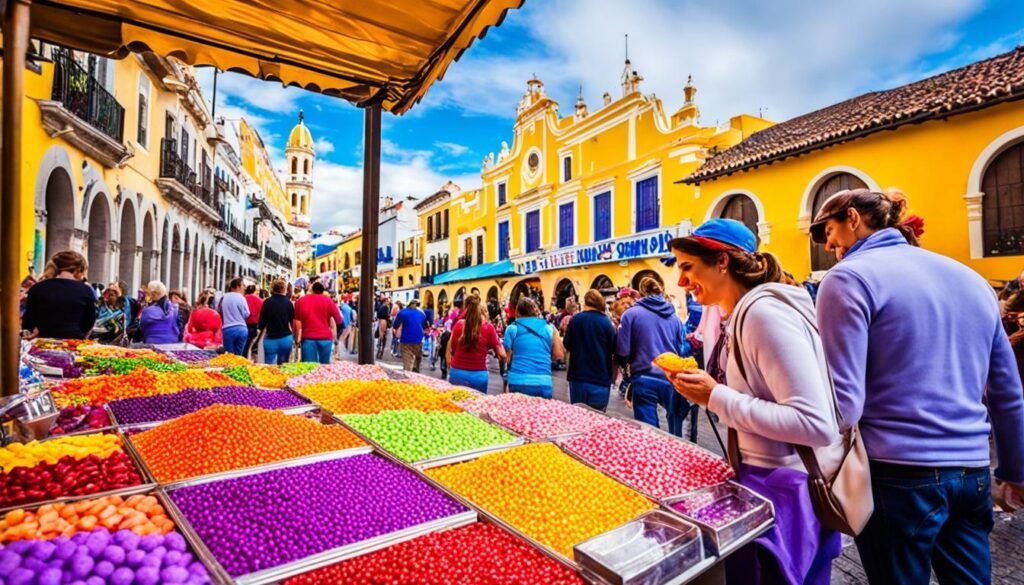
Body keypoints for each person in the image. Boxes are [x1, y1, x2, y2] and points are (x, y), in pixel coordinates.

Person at [811, 189, 1024, 585]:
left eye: (827, 229)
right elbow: (1007, 391)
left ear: (853, 218)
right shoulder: (971, 279)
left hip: (899, 476)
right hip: (972, 471)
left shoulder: (848, 278)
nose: (827, 243)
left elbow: (846, 405)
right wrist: (1015, 469)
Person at [668, 218, 844, 585]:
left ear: (722, 262)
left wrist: (715, 396)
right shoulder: (749, 313)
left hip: (784, 495)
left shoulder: (763, 314)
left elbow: (815, 423)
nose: (682, 282)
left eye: (687, 267)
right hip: (772, 488)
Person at [616, 277, 688, 436]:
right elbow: (681, 348)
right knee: (676, 428)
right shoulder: (675, 319)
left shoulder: (631, 314)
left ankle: (654, 458)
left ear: (641, 293)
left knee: (649, 432)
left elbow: (623, 350)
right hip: (670, 377)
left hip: (643, 376)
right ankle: (676, 455)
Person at [22, 251, 96, 339]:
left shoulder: (37, 288)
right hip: (74, 342)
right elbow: (89, 322)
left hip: (42, 340)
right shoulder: (86, 290)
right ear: (78, 270)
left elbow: (28, 320)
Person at [564, 289, 617, 411]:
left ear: (585, 302)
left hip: (578, 378)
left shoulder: (575, 320)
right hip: (600, 379)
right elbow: (614, 351)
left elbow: (567, 345)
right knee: (597, 420)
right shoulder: (607, 324)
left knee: (578, 417)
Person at [502, 297, 564, 399]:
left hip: (517, 381)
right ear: (536, 311)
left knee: (516, 413)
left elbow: (507, 359)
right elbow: (558, 355)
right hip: (543, 382)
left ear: (517, 312)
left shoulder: (512, 329)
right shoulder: (549, 329)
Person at [448, 295, 506, 393]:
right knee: (476, 406)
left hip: (457, 373)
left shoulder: (459, 325)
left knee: (456, 405)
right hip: (478, 376)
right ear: (483, 312)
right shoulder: (489, 328)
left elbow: (452, 349)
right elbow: (502, 355)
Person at [294, 281, 342, 364]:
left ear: (312, 290)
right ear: (322, 291)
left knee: (309, 368)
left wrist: (297, 337)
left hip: (308, 338)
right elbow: (339, 320)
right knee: (324, 367)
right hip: (326, 338)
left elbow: (297, 321)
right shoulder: (329, 301)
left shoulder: (301, 301)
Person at [259, 278, 295, 365]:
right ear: (283, 289)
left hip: (270, 339)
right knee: (283, 366)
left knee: (270, 367)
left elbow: (261, 324)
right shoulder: (288, 303)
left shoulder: (267, 302)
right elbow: (292, 321)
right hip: (285, 338)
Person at [393, 299, 427, 372]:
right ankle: (416, 367)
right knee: (418, 356)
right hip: (418, 339)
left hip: (406, 339)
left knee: (407, 360)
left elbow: (395, 325)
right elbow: (425, 326)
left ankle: (407, 373)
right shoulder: (422, 313)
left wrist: (396, 330)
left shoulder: (402, 312)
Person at [219, 278, 250, 356]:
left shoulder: (224, 297)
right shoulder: (241, 298)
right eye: (243, 285)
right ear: (237, 286)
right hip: (241, 328)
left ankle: (230, 367)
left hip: (228, 328)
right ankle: (238, 367)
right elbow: (246, 313)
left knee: (229, 355)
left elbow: (220, 311)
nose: (245, 288)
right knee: (239, 355)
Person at [243, 284, 263, 359]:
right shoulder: (260, 300)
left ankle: (243, 359)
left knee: (244, 346)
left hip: (244, 324)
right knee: (250, 346)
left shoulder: (243, 298)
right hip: (255, 325)